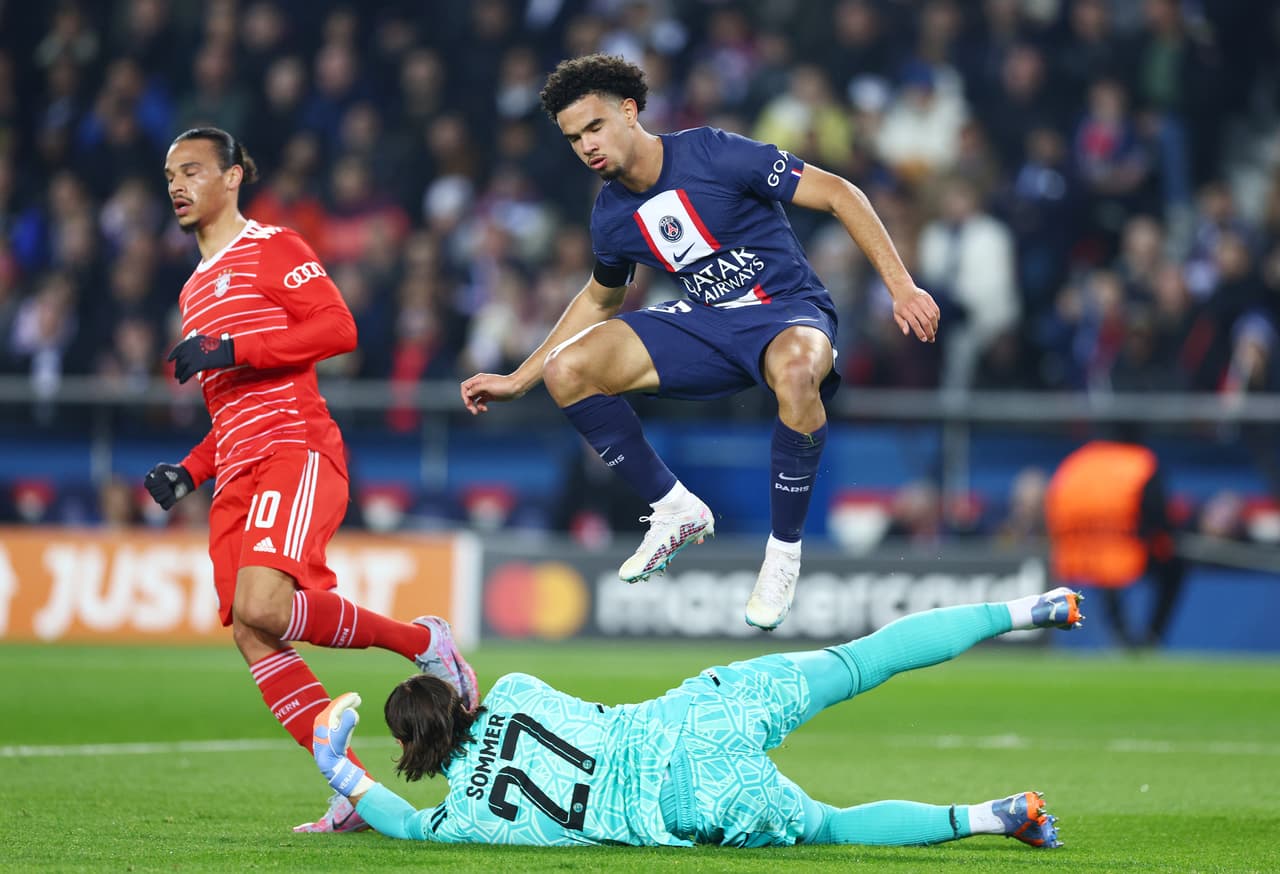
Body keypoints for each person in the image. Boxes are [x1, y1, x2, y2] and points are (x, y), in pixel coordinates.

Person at [460, 54, 939, 631]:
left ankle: (784, 553)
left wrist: (902, 286)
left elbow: (839, 192)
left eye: (594, 127)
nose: (586, 146)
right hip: (706, 325)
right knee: (569, 371)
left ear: (630, 112)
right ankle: (674, 511)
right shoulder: (611, 216)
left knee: (794, 373)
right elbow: (599, 299)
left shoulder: (712, 152)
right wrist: (519, 377)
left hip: (787, 311)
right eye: (572, 138)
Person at [145, 127, 478, 833]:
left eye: (194, 170)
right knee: (249, 628)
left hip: (293, 449)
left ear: (234, 176)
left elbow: (338, 328)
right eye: (171, 173)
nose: (177, 184)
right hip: (234, 469)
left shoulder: (274, 247)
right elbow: (230, 401)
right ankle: (351, 788)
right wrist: (191, 469)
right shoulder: (195, 288)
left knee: (263, 606)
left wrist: (233, 344)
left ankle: (422, 643)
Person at [309, 588, 1084, 849]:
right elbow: (465, 688)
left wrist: (340, 771)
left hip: (692, 801)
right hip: (693, 717)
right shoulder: (514, 689)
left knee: (832, 827)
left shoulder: (464, 819)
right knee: (858, 661)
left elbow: (404, 825)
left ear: (416, 755)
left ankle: (991, 816)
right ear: (455, 702)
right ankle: (1026, 608)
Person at [1045, 440, 1187, 648]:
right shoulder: (1138, 462)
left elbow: (1053, 509)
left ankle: (1123, 635)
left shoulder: (1078, 462)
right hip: (1125, 551)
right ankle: (1148, 637)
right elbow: (1156, 514)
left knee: (1107, 575)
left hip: (1076, 551)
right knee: (1171, 568)